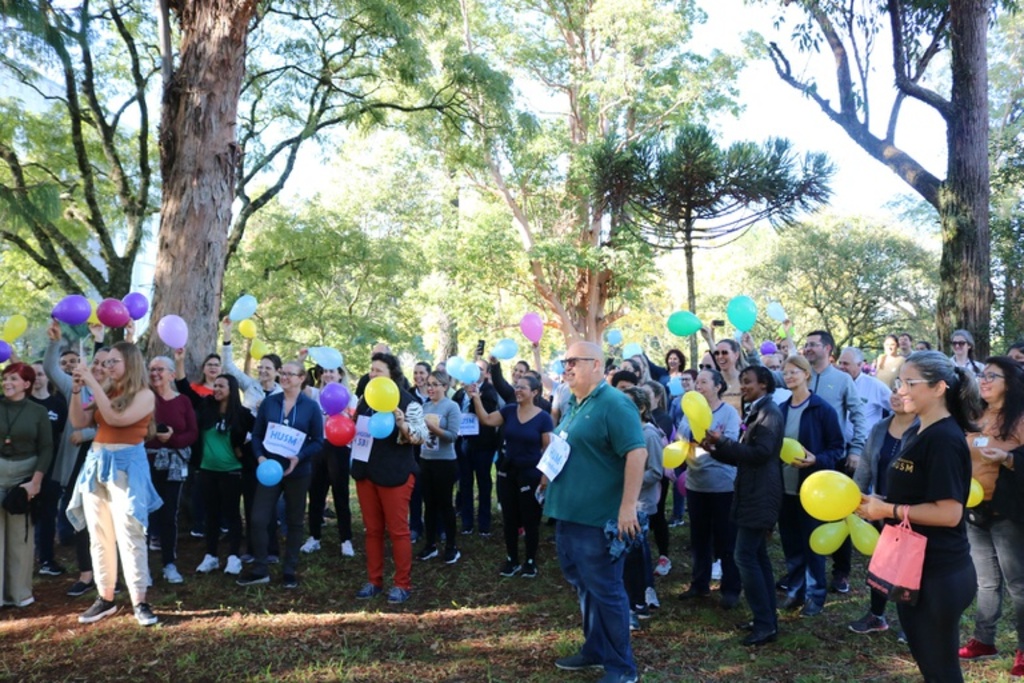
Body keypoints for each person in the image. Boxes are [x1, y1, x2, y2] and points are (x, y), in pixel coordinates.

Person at [858, 351, 981, 683]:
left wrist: (888, 510)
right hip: (912, 568)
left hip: (939, 574)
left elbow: (950, 512)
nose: (900, 390)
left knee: (941, 672)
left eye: (911, 383)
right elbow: (917, 495)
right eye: (900, 381)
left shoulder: (944, 439)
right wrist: (879, 501)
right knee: (930, 667)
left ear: (939, 387)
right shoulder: (919, 432)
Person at [545, 342, 646, 683]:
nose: (567, 366)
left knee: (606, 590)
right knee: (583, 586)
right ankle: (595, 651)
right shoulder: (573, 403)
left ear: (597, 365)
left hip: (598, 520)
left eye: (574, 361)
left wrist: (627, 507)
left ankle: (622, 668)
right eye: (565, 360)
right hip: (568, 514)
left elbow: (636, 453)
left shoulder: (615, 404)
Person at [66, 341, 162, 626]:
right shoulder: (107, 389)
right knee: (99, 534)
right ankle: (105, 597)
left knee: (130, 533)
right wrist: (76, 389)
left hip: (126, 467)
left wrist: (93, 381)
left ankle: (140, 601)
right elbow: (79, 420)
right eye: (105, 362)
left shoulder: (144, 395)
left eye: (113, 362)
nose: (107, 367)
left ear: (130, 363)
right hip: (96, 463)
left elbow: (116, 419)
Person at [701, 365, 785, 646]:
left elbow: (761, 454)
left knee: (745, 557)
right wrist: (718, 449)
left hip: (761, 493)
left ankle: (764, 623)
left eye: (748, 382)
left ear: (764, 384)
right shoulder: (757, 411)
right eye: (742, 382)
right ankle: (766, 619)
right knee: (757, 556)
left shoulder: (769, 413)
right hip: (750, 490)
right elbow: (744, 456)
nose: (743, 386)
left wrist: (723, 440)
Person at [957, 356, 1024, 675]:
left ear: (1008, 383)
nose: (983, 381)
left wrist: (1009, 458)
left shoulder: (1020, 419)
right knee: (985, 582)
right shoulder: (974, 416)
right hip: (974, 511)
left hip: (1007, 511)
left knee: (1018, 585)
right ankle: (984, 640)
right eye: (982, 376)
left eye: (991, 376)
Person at [237, 361, 324, 589]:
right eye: (282, 373)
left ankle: (289, 570)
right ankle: (260, 568)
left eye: (290, 374)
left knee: (295, 522)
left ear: (301, 378)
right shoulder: (269, 403)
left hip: (298, 472)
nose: (284, 377)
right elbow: (256, 435)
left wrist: (300, 456)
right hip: (269, 471)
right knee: (258, 519)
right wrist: (260, 458)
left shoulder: (311, 407)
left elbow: (318, 441)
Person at [351, 352, 427, 604]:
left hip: (395, 475)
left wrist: (402, 423)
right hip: (366, 474)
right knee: (372, 530)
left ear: (392, 374)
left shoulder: (410, 402)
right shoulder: (366, 401)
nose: (372, 374)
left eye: (378, 370)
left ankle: (402, 584)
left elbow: (420, 437)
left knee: (398, 531)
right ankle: (374, 581)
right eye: (371, 369)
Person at [777, 354, 845, 617]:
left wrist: (817, 460)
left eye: (795, 371)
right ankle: (795, 591)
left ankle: (816, 595)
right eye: (786, 372)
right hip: (786, 488)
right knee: (791, 543)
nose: (789, 376)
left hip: (813, 490)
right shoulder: (781, 410)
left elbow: (837, 448)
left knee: (812, 544)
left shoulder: (821, 409)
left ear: (807, 374)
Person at [174, 349, 252, 576]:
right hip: (206, 471)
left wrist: (242, 450)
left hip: (232, 473)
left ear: (231, 391)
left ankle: (234, 557)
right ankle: (210, 556)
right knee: (211, 515)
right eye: (215, 386)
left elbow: (259, 433)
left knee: (232, 515)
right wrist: (179, 361)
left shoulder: (243, 414)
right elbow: (184, 388)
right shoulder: (205, 406)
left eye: (221, 386)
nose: (216, 389)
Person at [801, 330, 867, 593]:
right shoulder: (801, 376)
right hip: (800, 458)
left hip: (832, 458)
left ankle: (841, 572)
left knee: (839, 515)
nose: (807, 349)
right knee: (804, 515)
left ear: (828, 349)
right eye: (805, 344)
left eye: (813, 345)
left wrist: (856, 449)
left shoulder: (841, 380)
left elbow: (858, 415)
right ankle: (805, 568)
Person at [849, 391, 917, 635]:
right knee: (881, 563)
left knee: (909, 568)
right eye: (897, 386)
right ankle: (876, 616)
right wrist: (855, 496)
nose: (897, 394)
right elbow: (866, 464)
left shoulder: (925, 429)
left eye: (907, 387)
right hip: (878, 505)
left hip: (911, 510)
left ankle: (910, 625)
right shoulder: (880, 427)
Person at [471, 373, 552, 577]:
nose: (517, 390)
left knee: (530, 518)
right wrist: (476, 398)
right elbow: (487, 420)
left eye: (522, 387)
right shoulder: (508, 411)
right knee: (510, 518)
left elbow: (547, 450)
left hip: (530, 474)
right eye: (516, 386)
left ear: (534, 392)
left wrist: (544, 477)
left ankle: (530, 561)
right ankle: (512, 559)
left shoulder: (543, 418)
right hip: (507, 471)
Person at [677, 369, 742, 608]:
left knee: (726, 539)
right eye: (697, 382)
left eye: (703, 382)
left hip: (723, 485)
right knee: (699, 537)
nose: (698, 386)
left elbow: (730, 445)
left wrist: (705, 447)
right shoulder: (689, 410)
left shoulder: (729, 414)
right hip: (696, 484)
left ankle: (731, 588)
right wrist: (708, 446)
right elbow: (683, 439)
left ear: (718, 386)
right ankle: (699, 584)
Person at [1, 363, 54, 608]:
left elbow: (46, 447)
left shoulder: (37, 411)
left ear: (26, 383)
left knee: (20, 537)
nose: (7, 383)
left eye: (13, 378)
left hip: (24, 479)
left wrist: (35, 482)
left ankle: (19, 593)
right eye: (4, 378)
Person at [145, 355, 198, 585]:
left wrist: (172, 439)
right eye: (151, 369)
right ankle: (142, 568)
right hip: (146, 462)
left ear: (171, 374)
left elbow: (193, 433)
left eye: (160, 369)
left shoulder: (183, 401)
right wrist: (153, 435)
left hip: (174, 464)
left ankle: (169, 563)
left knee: (168, 515)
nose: (155, 373)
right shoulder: (144, 399)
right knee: (145, 515)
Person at [301, 361, 356, 558]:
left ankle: (346, 540)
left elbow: (355, 423)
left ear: (340, 374)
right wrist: (301, 360)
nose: (328, 374)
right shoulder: (316, 394)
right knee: (315, 494)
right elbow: (298, 384)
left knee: (340, 495)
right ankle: (314, 537)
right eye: (324, 371)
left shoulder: (351, 397)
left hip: (340, 448)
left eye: (331, 370)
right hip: (318, 447)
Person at [416, 370, 462, 565]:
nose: (431, 388)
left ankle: (451, 546)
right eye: (429, 384)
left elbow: (452, 436)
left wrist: (432, 428)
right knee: (429, 504)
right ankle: (430, 545)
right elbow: (418, 434)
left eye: (435, 384)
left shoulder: (452, 407)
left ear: (445, 387)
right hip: (426, 460)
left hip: (445, 462)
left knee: (445, 504)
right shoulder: (424, 406)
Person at [28, 360, 68, 578]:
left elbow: (63, 435)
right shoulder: (23, 402)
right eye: (33, 375)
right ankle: (23, 562)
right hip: (25, 467)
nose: (38, 378)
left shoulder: (58, 405)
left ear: (48, 378)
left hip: (51, 468)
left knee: (47, 514)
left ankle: (46, 559)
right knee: (26, 515)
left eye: (41, 374)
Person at [456, 358, 501, 536]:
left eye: (481, 370)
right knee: (465, 483)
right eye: (475, 369)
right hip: (463, 444)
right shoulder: (459, 393)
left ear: (486, 373)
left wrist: (474, 398)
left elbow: (487, 415)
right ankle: (467, 522)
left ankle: (484, 524)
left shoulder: (489, 392)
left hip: (483, 446)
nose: (477, 373)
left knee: (483, 484)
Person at [837, 347, 892, 433]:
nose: (841, 367)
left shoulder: (875, 386)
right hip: (838, 442)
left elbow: (897, 407)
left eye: (846, 364)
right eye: (840, 363)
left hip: (866, 443)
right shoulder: (835, 383)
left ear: (859, 365)